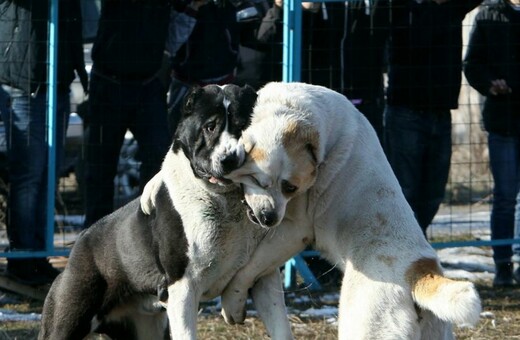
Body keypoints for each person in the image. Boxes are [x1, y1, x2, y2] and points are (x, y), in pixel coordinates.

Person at [0, 0, 88, 285]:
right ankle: (23, 257)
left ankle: (40, 255)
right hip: (23, 82)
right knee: (29, 174)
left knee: (50, 173)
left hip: (58, 80)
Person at [383, 0, 482, 237]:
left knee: (433, 191)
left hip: (441, 112)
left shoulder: (452, 7)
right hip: (405, 111)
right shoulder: (396, 8)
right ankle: (403, 249)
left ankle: (415, 241)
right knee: (404, 189)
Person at [83, 0, 173, 228]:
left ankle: (147, 228)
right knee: (100, 166)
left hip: (148, 82)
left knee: (159, 159)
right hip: (109, 81)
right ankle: (94, 237)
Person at [464, 0, 520, 287]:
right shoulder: (487, 14)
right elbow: (472, 63)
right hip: (502, 120)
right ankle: (503, 265)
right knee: (505, 197)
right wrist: (489, 84)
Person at [166, 0, 243, 133]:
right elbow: (171, 44)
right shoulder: (181, 6)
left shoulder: (227, 6)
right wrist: (193, 7)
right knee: (176, 136)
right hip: (186, 83)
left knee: (225, 137)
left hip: (224, 81)